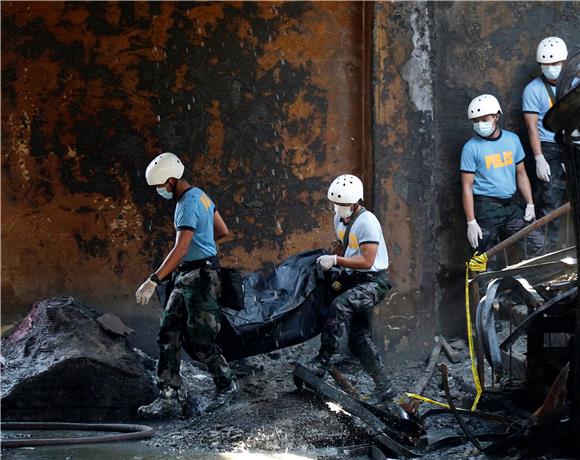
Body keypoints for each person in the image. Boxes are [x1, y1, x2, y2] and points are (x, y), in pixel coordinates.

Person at [135, 152, 238, 418]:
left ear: (170, 181)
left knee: (200, 340)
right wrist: (204, 245)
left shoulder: (187, 205)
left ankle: (226, 384)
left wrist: (154, 279)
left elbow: (180, 248)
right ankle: (169, 395)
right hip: (188, 276)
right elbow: (222, 231)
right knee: (169, 332)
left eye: (159, 186)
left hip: (201, 279)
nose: (159, 191)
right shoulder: (201, 196)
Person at [305, 174, 395, 403]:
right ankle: (384, 386)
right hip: (354, 279)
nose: (339, 208)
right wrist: (330, 256)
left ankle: (323, 361)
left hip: (373, 282)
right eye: (336, 204)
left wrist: (335, 261)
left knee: (340, 306)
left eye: (344, 205)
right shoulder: (340, 219)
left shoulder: (368, 222)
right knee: (358, 338)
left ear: (356, 202)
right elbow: (345, 248)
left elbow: (366, 261)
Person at [461, 94, 544, 257]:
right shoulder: (470, 148)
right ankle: (485, 283)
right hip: (486, 209)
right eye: (476, 121)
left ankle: (529, 282)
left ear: (496, 116)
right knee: (484, 258)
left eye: (485, 119)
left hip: (511, 206)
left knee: (537, 243)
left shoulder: (512, 140)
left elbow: (521, 174)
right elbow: (467, 187)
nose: (480, 124)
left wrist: (530, 203)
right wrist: (471, 221)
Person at [523, 36, 569, 251]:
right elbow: (532, 126)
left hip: (572, 144)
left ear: (565, 62)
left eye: (555, 63)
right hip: (548, 147)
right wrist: (539, 157)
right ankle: (548, 254)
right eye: (546, 64)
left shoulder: (574, 85)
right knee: (550, 201)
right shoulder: (533, 90)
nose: (551, 68)